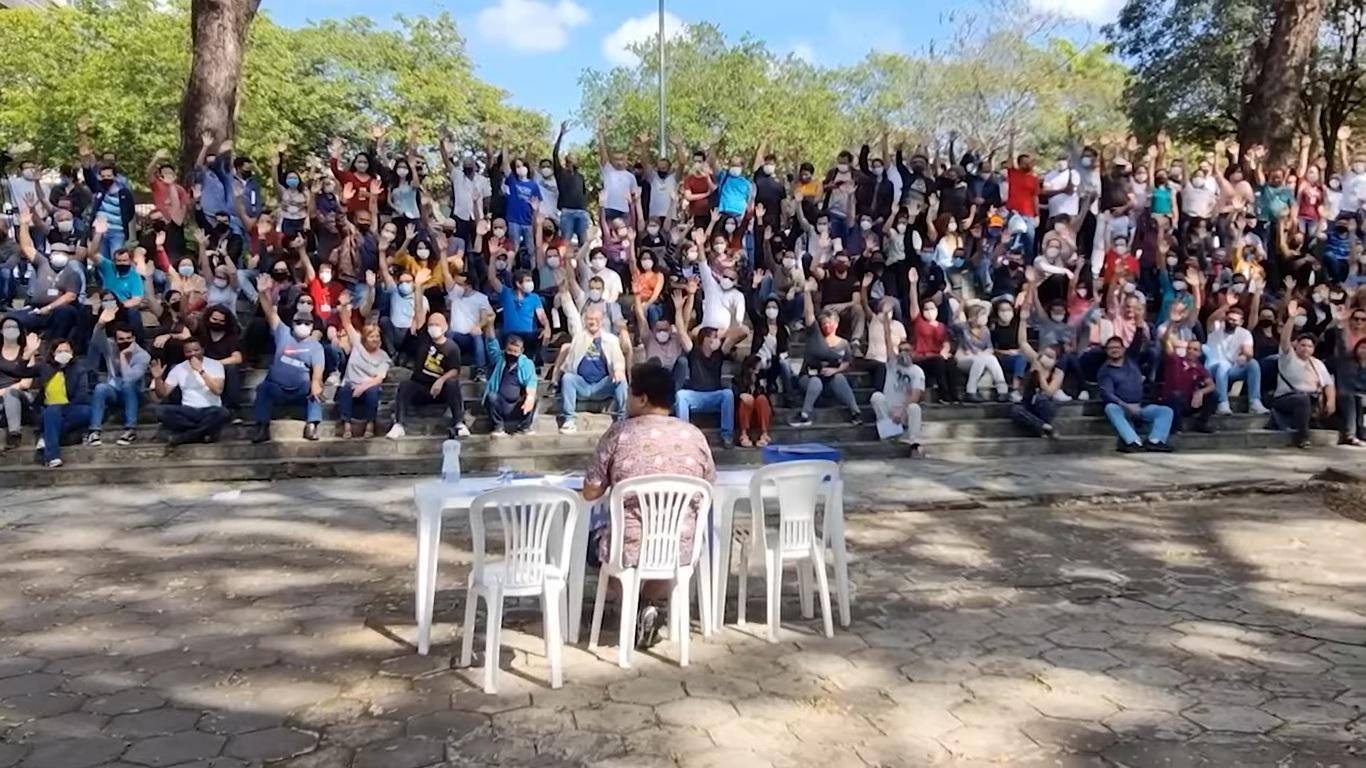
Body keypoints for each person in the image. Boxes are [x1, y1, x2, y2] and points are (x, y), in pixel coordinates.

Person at [581, 362, 716, 648]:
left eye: (630, 393)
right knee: (674, 543)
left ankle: (629, 603)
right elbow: (708, 484)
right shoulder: (695, 436)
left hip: (629, 546)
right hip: (680, 546)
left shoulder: (619, 434)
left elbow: (591, 491)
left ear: (642, 398)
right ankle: (646, 602)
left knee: (592, 541)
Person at [251, 275, 325, 443]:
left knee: (314, 390)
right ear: (293, 323)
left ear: (312, 326)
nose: (303, 325)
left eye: (307, 323)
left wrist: (316, 383)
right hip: (277, 387)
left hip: (301, 389)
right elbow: (270, 313)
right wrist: (263, 293)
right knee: (263, 388)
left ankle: (312, 425)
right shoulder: (283, 332)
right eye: (299, 322)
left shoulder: (315, 346)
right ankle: (262, 427)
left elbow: (318, 370)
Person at [390, 291, 467, 440]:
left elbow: (455, 370)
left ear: (445, 327)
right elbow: (419, 314)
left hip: (440, 391)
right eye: (431, 324)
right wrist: (418, 287)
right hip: (421, 387)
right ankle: (398, 425)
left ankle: (459, 423)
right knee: (405, 385)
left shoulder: (452, 347)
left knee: (453, 384)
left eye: (437, 325)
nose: (433, 327)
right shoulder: (424, 340)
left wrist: (441, 380)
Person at [791, 284, 862, 427]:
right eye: (824, 323)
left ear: (836, 324)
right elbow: (809, 315)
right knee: (815, 382)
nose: (826, 326)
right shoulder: (815, 334)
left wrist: (835, 370)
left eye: (829, 323)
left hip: (829, 380)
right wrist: (807, 293)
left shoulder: (843, 344)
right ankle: (805, 414)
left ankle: (856, 412)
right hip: (809, 378)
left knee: (840, 378)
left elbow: (847, 362)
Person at [555, 296, 627, 435]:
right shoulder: (578, 337)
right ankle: (569, 419)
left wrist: (618, 370)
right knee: (568, 378)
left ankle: (621, 419)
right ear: (585, 320)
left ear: (601, 321)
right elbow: (569, 363)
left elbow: (618, 359)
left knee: (621, 381)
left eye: (596, 319)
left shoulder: (611, 340)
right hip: (582, 384)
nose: (593, 322)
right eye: (590, 319)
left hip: (602, 385)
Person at [676, 314, 747, 448]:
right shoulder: (694, 351)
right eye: (713, 337)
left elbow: (743, 331)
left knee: (727, 394)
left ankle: (727, 436)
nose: (717, 340)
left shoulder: (720, 352)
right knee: (681, 395)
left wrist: (724, 332)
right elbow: (681, 331)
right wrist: (679, 309)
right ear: (704, 339)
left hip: (714, 396)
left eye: (717, 337)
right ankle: (683, 433)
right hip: (696, 396)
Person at [1272, 301, 1335, 448]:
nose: (1306, 348)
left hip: (1312, 399)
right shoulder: (1288, 357)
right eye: (1303, 345)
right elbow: (1284, 340)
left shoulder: (1318, 363)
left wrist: (1331, 401)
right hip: (1285, 398)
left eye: (1309, 346)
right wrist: (1292, 318)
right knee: (1302, 400)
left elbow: (1328, 384)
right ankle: (1303, 437)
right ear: (1296, 345)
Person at [85, 306, 149, 447]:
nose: (125, 341)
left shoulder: (143, 356)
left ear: (133, 338)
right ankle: (94, 431)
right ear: (115, 340)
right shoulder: (110, 346)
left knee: (127, 385)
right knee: (101, 387)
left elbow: (129, 379)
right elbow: (95, 342)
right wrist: (100, 324)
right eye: (121, 339)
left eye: (128, 338)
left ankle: (130, 429)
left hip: (135, 394)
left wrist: (123, 357)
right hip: (115, 390)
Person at [1098, 335, 1175, 452]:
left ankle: (1155, 441)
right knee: (1110, 408)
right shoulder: (1105, 371)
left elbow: (1137, 343)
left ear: (1123, 349)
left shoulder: (1132, 360)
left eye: (1117, 347)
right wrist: (1126, 406)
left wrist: (1139, 325)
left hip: (1140, 406)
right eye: (1111, 348)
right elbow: (1108, 394)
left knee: (1166, 411)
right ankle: (1133, 442)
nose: (1114, 350)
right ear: (1106, 351)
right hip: (1121, 408)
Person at [148, 340, 229, 449]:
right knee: (160, 411)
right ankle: (202, 433)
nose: (192, 354)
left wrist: (200, 370)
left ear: (202, 350)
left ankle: (186, 436)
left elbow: (218, 390)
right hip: (188, 411)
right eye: (188, 351)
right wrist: (157, 378)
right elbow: (162, 394)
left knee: (223, 413)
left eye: (196, 350)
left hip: (210, 409)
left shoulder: (215, 365)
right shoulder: (178, 368)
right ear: (184, 353)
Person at [336, 293, 391, 439]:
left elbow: (379, 378)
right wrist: (343, 306)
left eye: (377, 336)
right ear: (365, 339)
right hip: (350, 385)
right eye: (372, 336)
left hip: (367, 387)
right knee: (345, 388)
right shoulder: (357, 345)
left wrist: (362, 387)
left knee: (373, 391)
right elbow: (346, 323)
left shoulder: (383, 356)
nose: (375, 339)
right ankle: (346, 426)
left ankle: (370, 425)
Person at [1204, 295, 1269, 416]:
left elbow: (1249, 351)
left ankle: (1255, 402)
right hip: (1213, 368)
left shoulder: (1245, 333)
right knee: (1223, 365)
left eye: (1235, 320)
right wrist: (1227, 305)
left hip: (1232, 368)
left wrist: (1246, 355)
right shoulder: (1216, 328)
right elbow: (1211, 319)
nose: (1231, 322)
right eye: (1229, 319)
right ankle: (1222, 403)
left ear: (1241, 322)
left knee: (1253, 364)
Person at [34, 338, 92, 468]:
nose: (63, 353)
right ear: (53, 353)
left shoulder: (79, 369)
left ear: (72, 352)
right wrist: (28, 354)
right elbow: (21, 371)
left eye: (66, 350)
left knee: (87, 411)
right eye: (59, 351)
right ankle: (52, 457)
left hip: (70, 409)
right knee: (52, 411)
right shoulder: (45, 368)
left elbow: (81, 396)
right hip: (48, 411)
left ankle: (45, 437)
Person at [870, 322, 926, 455]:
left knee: (915, 408)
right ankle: (889, 433)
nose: (903, 353)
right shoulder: (893, 364)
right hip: (889, 408)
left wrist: (902, 412)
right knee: (876, 397)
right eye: (901, 350)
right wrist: (885, 319)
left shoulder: (917, 371)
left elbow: (915, 395)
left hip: (904, 409)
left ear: (912, 352)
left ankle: (914, 444)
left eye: (907, 350)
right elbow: (888, 340)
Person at [480, 310, 538, 437]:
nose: (511, 354)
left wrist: (530, 397)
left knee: (533, 398)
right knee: (491, 396)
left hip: (517, 406)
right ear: (505, 348)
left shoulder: (527, 364)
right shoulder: (499, 358)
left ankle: (525, 427)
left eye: (515, 351)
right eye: (509, 350)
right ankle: (498, 427)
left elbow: (532, 382)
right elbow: (491, 342)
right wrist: (490, 324)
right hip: (500, 403)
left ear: (521, 351)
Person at [1011, 302, 1065, 438]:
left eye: (1050, 357)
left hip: (1044, 406)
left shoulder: (1058, 373)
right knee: (1016, 410)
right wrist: (1023, 321)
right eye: (1045, 354)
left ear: (1056, 360)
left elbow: (1048, 391)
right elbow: (1023, 343)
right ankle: (1045, 427)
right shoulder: (1036, 359)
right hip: (1029, 402)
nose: (1045, 358)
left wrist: (1040, 374)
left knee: (1043, 399)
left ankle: (1041, 426)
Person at [1161, 317, 1217, 434]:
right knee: (1176, 395)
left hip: (1188, 402)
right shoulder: (1176, 360)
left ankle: (1202, 422)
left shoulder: (1199, 367)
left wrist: (1201, 392)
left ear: (1199, 353)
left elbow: (1211, 385)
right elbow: (1166, 342)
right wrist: (1171, 322)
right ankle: (1175, 427)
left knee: (1214, 395)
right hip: (1172, 401)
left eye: (1195, 349)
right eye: (1189, 348)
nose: (1191, 351)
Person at [0, 318, 39, 449]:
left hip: (21, 396)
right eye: (7, 327)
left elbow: (26, 383)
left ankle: (14, 433)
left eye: (14, 327)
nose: (11, 329)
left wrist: (3, 391)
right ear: (1, 331)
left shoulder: (26, 352)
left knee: (10, 393)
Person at [733, 354, 773, 448]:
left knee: (762, 399)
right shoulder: (738, 380)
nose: (758, 370)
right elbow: (736, 397)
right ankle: (744, 434)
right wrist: (742, 395)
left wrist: (762, 386)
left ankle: (764, 434)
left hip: (759, 415)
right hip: (745, 416)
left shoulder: (761, 379)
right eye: (756, 368)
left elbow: (767, 399)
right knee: (746, 400)